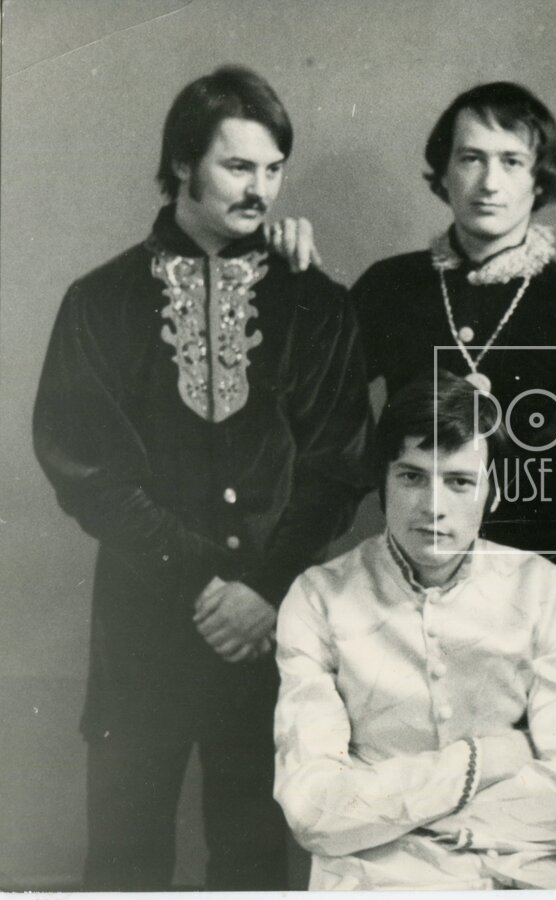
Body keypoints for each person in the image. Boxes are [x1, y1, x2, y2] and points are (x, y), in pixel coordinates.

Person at [32, 65, 372, 890]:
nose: (262, 189)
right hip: (142, 631)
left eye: (274, 169)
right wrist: (209, 582)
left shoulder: (316, 305)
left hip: (271, 634)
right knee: (123, 864)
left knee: (255, 863)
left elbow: (337, 467)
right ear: (183, 162)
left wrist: (262, 589)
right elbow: (88, 471)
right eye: (237, 166)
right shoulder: (100, 301)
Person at [273, 372, 556, 889]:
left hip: (517, 875)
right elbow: (313, 809)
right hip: (374, 880)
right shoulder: (317, 597)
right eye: (411, 477)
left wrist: (395, 814)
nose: (433, 505)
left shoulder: (540, 587)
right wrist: (482, 761)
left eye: (459, 481)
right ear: (382, 483)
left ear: (493, 492)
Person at [274, 81, 556, 554]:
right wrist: (293, 286)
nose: (489, 183)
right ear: (444, 173)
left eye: (511, 161)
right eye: (471, 158)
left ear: (539, 180)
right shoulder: (391, 285)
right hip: (415, 545)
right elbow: (313, 400)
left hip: (527, 560)